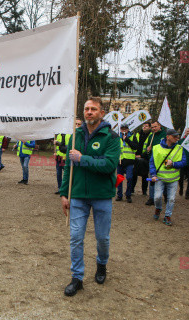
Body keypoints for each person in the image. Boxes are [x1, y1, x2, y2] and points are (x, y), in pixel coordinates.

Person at [60, 97, 120, 297]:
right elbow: (68, 166)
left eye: (93, 109)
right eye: (86, 109)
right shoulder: (75, 136)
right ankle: (77, 278)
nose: (89, 112)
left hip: (102, 196)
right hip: (77, 195)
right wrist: (63, 193)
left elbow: (110, 165)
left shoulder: (111, 137)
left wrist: (83, 159)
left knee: (102, 237)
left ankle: (101, 264)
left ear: (101, 113)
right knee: (76, 238)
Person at [149, 129, 186, 226]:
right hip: (159, 178)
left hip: (173, 179)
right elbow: (152, 162)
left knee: (171, 199)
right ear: (168, 137)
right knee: (157, 197)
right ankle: (158, 208)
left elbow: (184, 162)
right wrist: (153, 175)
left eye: (178, 136)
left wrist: (173, 164)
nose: (177, 138)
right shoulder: (156, 148)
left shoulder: (180, 148)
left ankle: (167, 216)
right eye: (175, 136)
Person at [54, 119, 82, 194]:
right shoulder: (60, 134)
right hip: (58, 157)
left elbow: (67, 147)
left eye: (78, 124)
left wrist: (58, 143)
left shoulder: (71, 134)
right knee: (58, 173)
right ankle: (60, 188)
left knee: (68, 173)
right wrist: (56, 153)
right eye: (75, 123)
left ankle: (68, 189)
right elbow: (58, 147)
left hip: (66, 158)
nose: (76, 125)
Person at [142, 121, 166, 205]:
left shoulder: (165, 135)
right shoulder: (151, 136)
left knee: (164, 179)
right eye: (152, 127)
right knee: (152, 179)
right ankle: (151, 198)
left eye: (155, 127)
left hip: (163, 162)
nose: (153, 129)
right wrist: (148, 151)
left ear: (159, 126)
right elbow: (147, 150)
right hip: (153, 161)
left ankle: (166, 195)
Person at [115, 123, 138, 203]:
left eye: (125, 129)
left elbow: (135, 148)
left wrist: (127, 140)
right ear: (120, 129)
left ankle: (128, 195)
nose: (124, 130)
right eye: (122, 129)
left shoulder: (133, 136)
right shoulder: (117, 137)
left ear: (128, 129)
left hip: (129, 161)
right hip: (120, 161)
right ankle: (119, 195)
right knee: (119, 179)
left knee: (129, 178)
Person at [131, 121, 151, 195]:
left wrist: (142, 155)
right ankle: (132, 189)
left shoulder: (151, 136)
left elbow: (150, 148)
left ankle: (144, 191)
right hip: (136, 157)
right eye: (143, 126)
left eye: (146, 126)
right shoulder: (137, 134)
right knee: (134, 174)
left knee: (145, 175)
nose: (144, 127)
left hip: (145, 158)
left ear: (149, 127)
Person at [178, 128, 189, 199]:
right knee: (181, 178)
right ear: (185, 132)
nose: (188, 132)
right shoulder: (180, 141)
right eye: (187, 131)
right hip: (182, 163)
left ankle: (187, 193)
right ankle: (181, 188)